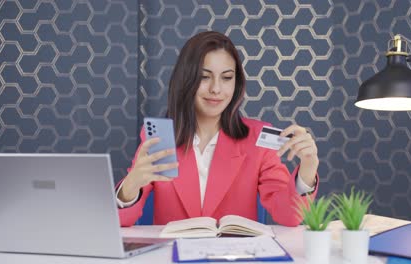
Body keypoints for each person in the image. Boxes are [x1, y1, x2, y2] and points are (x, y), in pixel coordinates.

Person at [116, 31, 319, 227]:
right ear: (186, 79)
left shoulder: (257, 138)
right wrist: (131, 184)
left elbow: (289, 216)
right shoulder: (160, 137)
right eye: (204, 77)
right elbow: (121, 221)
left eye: (227, 77)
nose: (216, 89)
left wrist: (308, 168)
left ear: (236, 83)